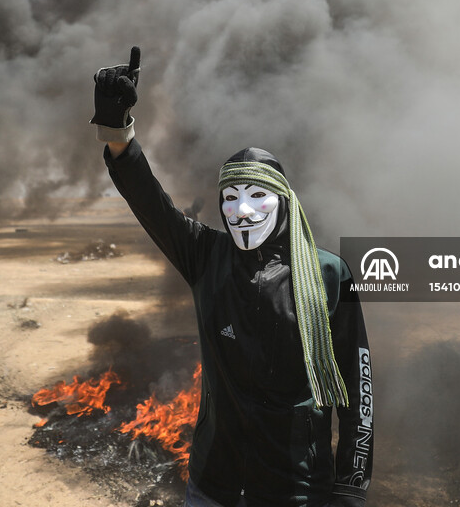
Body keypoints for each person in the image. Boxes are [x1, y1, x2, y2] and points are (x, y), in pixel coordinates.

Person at [93, 48, 373, 507]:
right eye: (231, 196)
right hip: (213, 484)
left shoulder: (329, 273)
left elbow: (357, 393)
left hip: (295, 491)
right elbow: (150, 202)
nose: (241, 211)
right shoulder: (207, 256)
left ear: (284, 203)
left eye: (257, 195)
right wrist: (117, 131)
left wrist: (350, 488)